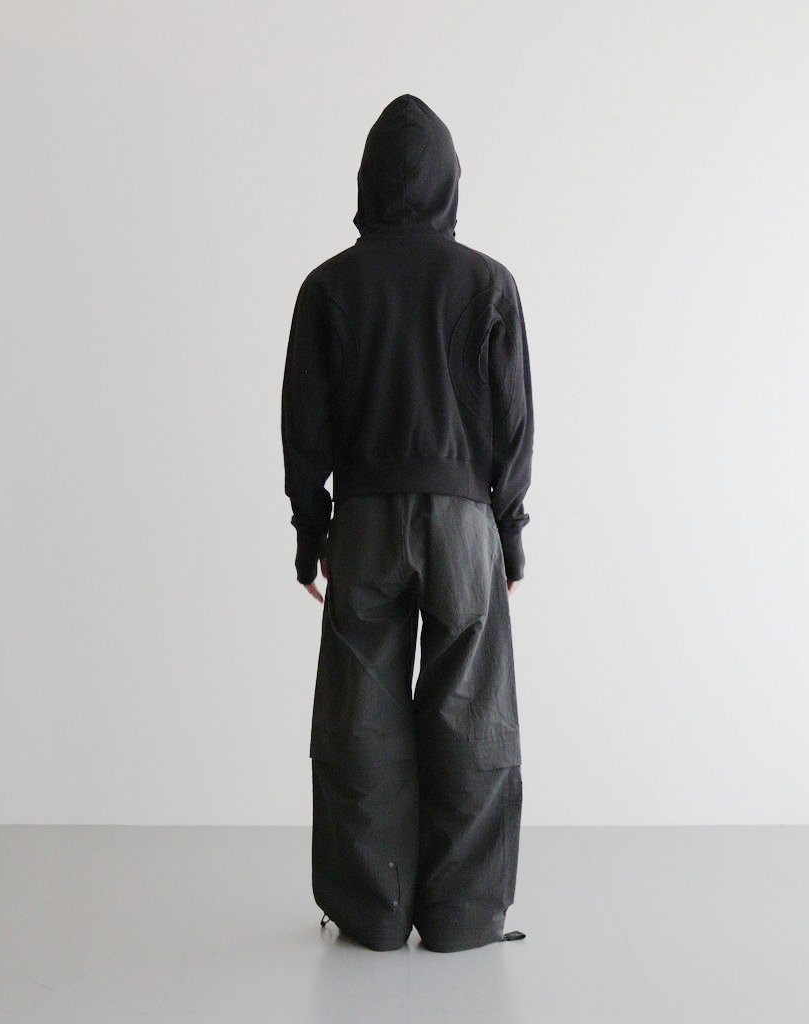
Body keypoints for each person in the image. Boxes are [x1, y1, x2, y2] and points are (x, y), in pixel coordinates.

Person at [281, 95, 534, 953]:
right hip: (464, 526)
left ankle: (372, 914)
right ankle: (463, 918)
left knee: (361, 722)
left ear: (367, 181)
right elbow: (513, 423)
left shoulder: (329, 286)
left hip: (364, 525)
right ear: (451, 182)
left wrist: (310, 532)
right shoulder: (487, 283)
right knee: (473, 719)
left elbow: (303, 423)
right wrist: (509, 533)